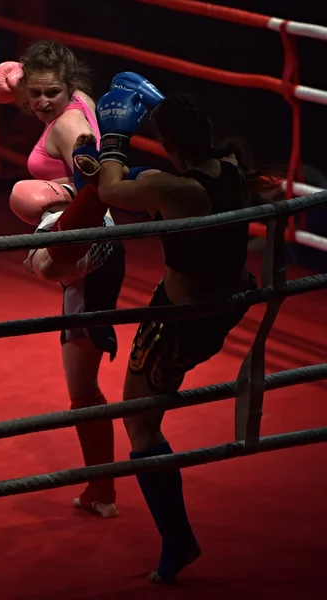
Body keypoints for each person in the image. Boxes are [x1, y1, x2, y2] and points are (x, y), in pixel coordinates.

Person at [92, 79, 282, 581]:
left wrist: (114, 137)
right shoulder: (235, 168)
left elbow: (110, 188)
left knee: (140, 424)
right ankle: (177, 539)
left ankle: (178, 541)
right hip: (227, 303)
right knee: (143, 416)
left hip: (181, 320)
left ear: (169, 142)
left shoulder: (172, 188)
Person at [0, 41, 125, 518]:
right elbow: (6, 87)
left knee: (44, 261)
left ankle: (102, 491)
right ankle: (100, 493)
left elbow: (98, 176)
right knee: (82, 387)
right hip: (89, 251)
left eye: (52, 92)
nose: (45, 102)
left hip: (89, 235)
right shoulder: (79, 98)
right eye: (37, 94)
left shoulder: (70, 125)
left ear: (68, 89)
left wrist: (68, 188)